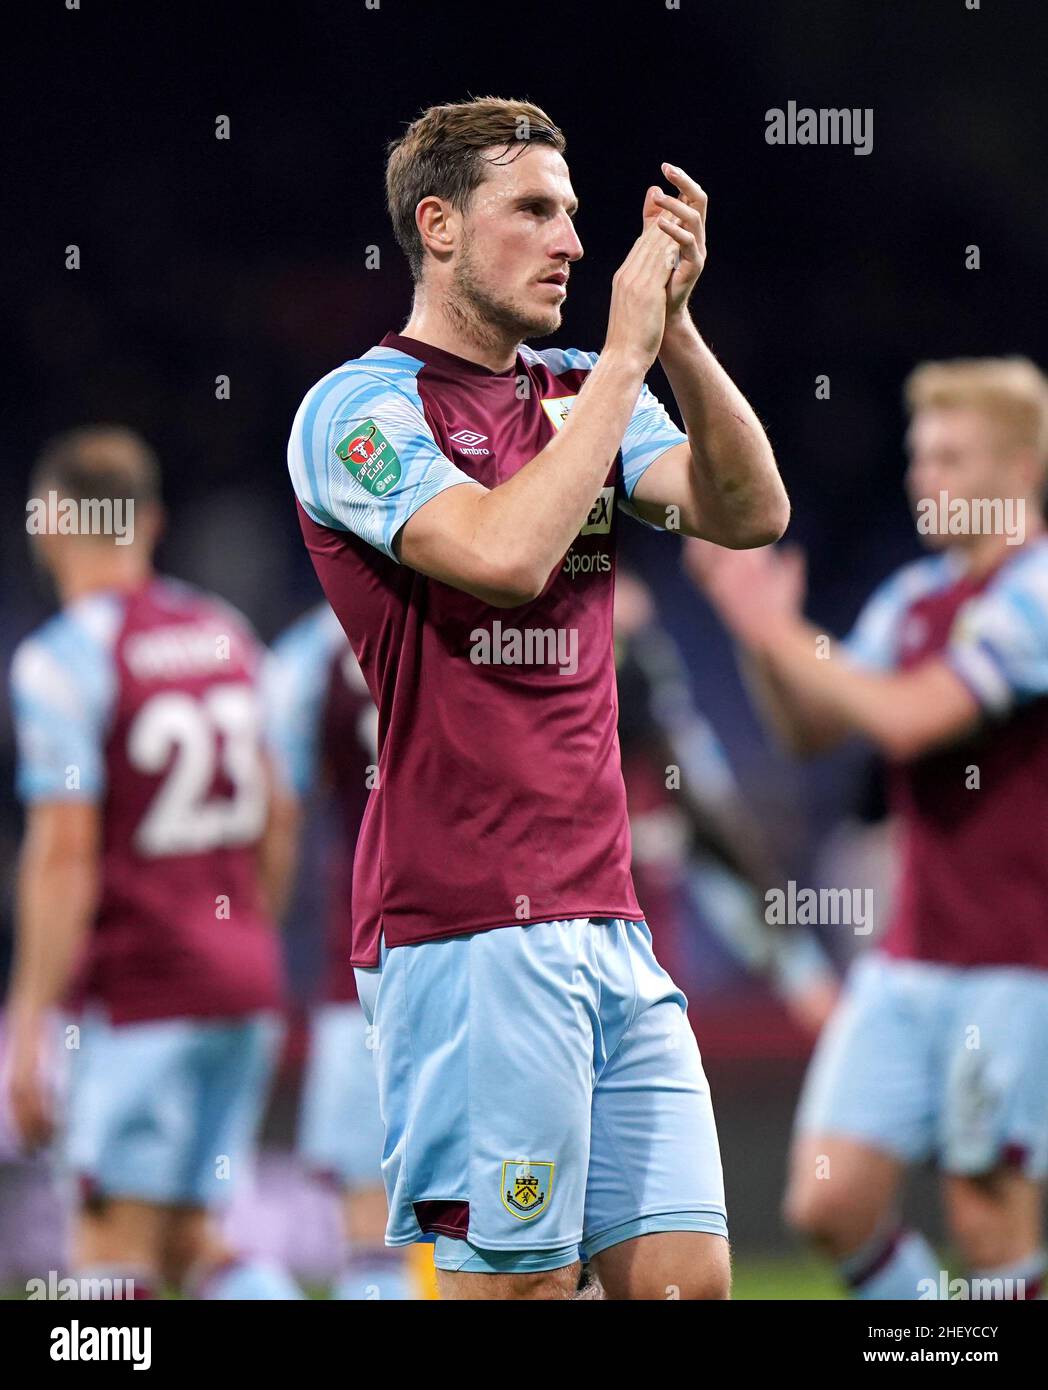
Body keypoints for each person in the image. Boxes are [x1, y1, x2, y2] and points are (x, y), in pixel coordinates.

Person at [287, 96, 788, 1300]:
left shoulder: (578, 385)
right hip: (468, 928)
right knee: (515, 1290)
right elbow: (503, 557)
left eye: (573, 213)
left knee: (687, 1283)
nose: (571, 240)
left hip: (607, 915)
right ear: (440, 225)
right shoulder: (357, 410)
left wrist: (669, 334)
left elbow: (749, 511)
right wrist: (621, 360)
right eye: (534, 212)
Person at [690, 357, 1048, 1300]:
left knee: (986, 1214)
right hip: (909, 959)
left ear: (1018, 472)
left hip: (1016, 965)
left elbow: (907, 717)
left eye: (949, 457)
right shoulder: (916, 598)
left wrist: (782, 634)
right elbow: (814, 729)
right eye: (918, 455)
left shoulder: (1036, 595)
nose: (922, 477)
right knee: (828, 1203)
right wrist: (753, 623)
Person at [5, 426, 300, 1300]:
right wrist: (247, 932)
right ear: (152, 521)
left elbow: (63, 854)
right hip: (243, 979)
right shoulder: (226, 636)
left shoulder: (61, 660)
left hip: (139, 997)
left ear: (51, 521)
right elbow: (281, 815)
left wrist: (28, 1022)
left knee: (107, 1253)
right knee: (191, 1244)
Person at [266, 602, 416, 1299]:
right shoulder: (469, 602)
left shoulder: (307, 655)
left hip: (364, 954)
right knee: (512, 1207)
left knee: (370, 1217)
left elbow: (278, 807)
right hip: (488, 936)